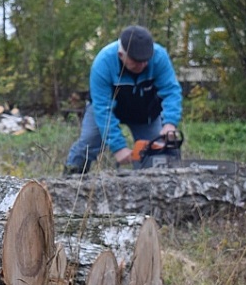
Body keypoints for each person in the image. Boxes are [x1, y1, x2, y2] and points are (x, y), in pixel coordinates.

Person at [64, 25, 182, 174]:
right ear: (121, 55)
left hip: (145, 110)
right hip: (107, 108)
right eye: (137, 61)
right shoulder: (103, 63)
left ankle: (154, 183)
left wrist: (170, 123)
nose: (143, 65)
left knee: (157, 151)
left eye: (146, 60)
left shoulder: (159, 57)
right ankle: (71, 176)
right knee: (89, 142)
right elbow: (103, 109)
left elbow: (171, 91)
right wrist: (118, 147)